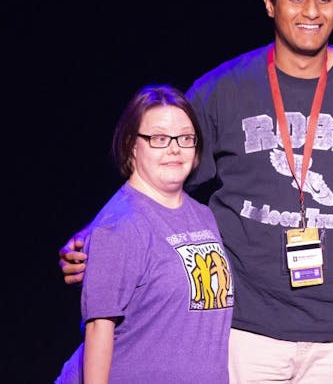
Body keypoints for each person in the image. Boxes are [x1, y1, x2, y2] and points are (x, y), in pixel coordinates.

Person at [59, 0, 333, 383]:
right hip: (246, 329)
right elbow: (160, 173)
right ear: (269, 3)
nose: (311, 12)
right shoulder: (222, 89)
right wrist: (102, 232)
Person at [55, 84, 233, 383]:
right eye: (159, 138)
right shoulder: (119, 226)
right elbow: (99, 329)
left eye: (185, 138)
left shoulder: (202, 216)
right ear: (131, 146)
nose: (175, 148)